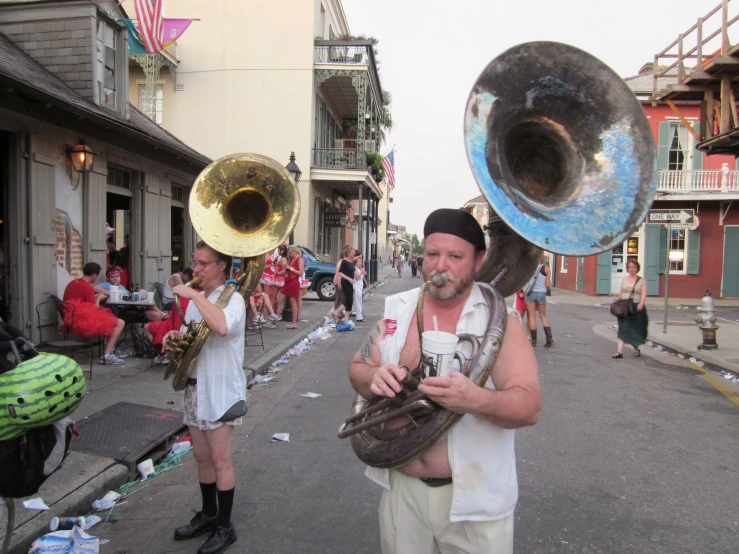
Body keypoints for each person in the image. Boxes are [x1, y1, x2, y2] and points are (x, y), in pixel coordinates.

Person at [348, 208, 541, 553]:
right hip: (402, 491)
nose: (441, 266)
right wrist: (374, 377)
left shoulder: (502, 323)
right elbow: (359, 365)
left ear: (478, 261)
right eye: (433, 254)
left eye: (455, 256)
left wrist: (475, 400)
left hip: (474, 503)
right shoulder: (397, 310)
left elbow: (529, 406)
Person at [164, 241, 245, 554]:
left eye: (203, 264)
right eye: (195, 263)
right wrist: (177, 338)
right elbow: (193, 335)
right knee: (201, 457)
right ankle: (209, 514)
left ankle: (225, 527)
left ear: (222, 265)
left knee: (220, 459)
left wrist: (192, 293)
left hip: (221, 390)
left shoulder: (233, 299)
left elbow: (221, 326)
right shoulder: (197, 300)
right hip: (195, 388)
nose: (195, 269)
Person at [62, 262, 126, 365]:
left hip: (70, 318)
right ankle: (107, 354)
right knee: (120, 323)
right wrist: (99, 298)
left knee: (111, 319)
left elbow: (81, 302)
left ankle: (110, 350)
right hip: (82, 321)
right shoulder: (87, 287)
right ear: (94, 275)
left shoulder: (73, 283)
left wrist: (95, 297)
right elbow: (93, 309)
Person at [99, 267, 165, 322]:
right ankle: (161, 313)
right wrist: (110, 293)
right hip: (123, 311)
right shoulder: (107, 285)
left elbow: (129, 296)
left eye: (117, 276)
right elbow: (94, 288)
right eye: (112, 277)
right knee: (157, 316)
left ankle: (153, 331)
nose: (116, 278)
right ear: (108, 279)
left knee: (157, 315)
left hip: (134, 307)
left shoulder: (121, 286)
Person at [612, 259, 648, 358]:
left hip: (636, 306)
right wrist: (617, 302)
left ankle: (636, 348)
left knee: (635, 328)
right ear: (627, 269)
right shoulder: (624, 279)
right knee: (622, 328)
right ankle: (619, 352)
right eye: (629, 267)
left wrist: (641, 303)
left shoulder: (642, 280)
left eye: (634, 267)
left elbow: (644, 293)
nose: (631, 269)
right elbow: (621, 292)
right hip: (624, 307)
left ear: (637, 268)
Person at [524, 254, 553, 347]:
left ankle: (534, 341)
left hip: (531, 294)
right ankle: (549, 339)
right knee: (543, 315)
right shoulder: (546, 268)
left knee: (532, 317)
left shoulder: (528, 268)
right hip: (541, 294)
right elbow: (548, 285)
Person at [275, 245, 304, 329]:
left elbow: (300, 272)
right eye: (289, 253)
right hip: (287, 281)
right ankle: (275, 321)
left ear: (296, 251)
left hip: (293, 282)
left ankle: (294, 323)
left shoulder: (300, 259)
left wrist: (290, 268)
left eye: (291, 252)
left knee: (292, 302)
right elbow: (285, 270)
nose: (290, 254)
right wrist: (277, 273)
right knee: (279, 300)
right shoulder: (291, 260)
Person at [331, 246, 356, 321]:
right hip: (345, 282)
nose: (353, 254)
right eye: (352, 253)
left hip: (350, 283)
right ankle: (337, 312)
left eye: (354, 253)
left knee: (350, 300)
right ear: (348, 253)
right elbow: (340, 273)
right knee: (345, 299)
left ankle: (346, 317)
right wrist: (340, 283)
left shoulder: (350, 261)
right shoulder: (343, 261)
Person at [353, 255, 367, 322]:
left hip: (359, 287)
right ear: (355, 262)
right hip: (357, 287)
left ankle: (354, 312)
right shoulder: (355, 269)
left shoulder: (358, 269)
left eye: (361, 261)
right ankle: (359, 317)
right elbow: (356, 277)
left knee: (357, 301)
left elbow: (362, 276)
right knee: (358, 301)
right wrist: (361, 272)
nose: (360, 263)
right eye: (359, 261)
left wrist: (363, 273)